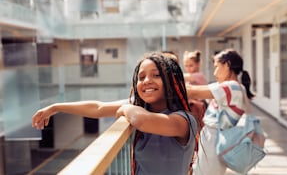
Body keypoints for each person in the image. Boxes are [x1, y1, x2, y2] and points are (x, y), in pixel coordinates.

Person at [32, 52, 198, 175]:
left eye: (156, 75)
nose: (147, 80)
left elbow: (143, 121)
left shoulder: (184, 120)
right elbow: (98, 108)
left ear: (172, 80)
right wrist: (56, 107)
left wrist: (126, 108)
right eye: (141, 77)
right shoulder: (139, 109)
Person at [187, 48, 255, 175]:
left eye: (217, 67)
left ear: (227, 65)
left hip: (214, 141)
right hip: (212, 139)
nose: (214, 72)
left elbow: (192, 91)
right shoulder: (233, 87)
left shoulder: (231, 87)